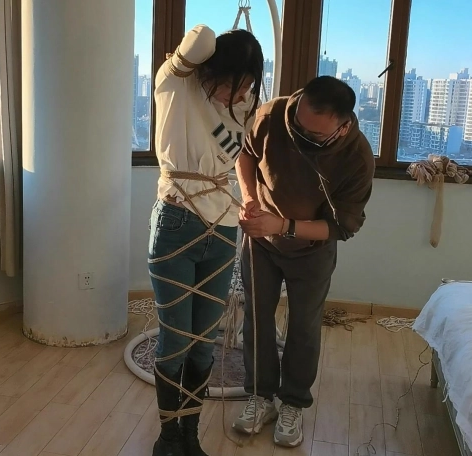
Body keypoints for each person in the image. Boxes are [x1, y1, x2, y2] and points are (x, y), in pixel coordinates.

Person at [231, 76, 375, 447]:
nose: (302, 136)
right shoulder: (273, 114)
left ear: (342, 127)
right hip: (260, 241)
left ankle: (293, 402)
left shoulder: (357, 156)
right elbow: (246, 156)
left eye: (315, 135)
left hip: (312, 251)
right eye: (299, 125)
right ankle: (260, 396)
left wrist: (283, 225)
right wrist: (250, 198)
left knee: (304, 327)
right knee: (257, 318)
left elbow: (341, 227)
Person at [148, 24, 264, 456]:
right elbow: (200, 36)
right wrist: (216, 55)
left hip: (224, 229)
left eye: (247, 85)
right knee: (175, 343)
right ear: (208, 69)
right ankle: (167, 436)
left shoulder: (244, 107)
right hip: (176, 222)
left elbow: (245, 158)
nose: (239, 93)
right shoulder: (176, 84)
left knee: (202, 346)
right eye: (232, 83)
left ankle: (189, 433)